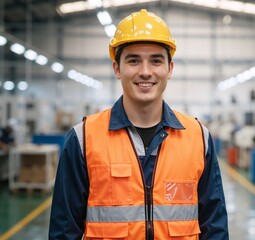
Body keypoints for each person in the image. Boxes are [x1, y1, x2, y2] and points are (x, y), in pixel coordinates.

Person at [49, 9, 229, 240]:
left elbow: (214, 227)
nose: (145, 72)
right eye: (133, 60)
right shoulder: (84, 139)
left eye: (156, 60)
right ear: (117, 68)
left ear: (169, 69)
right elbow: (64, 231)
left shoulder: (198, 138)